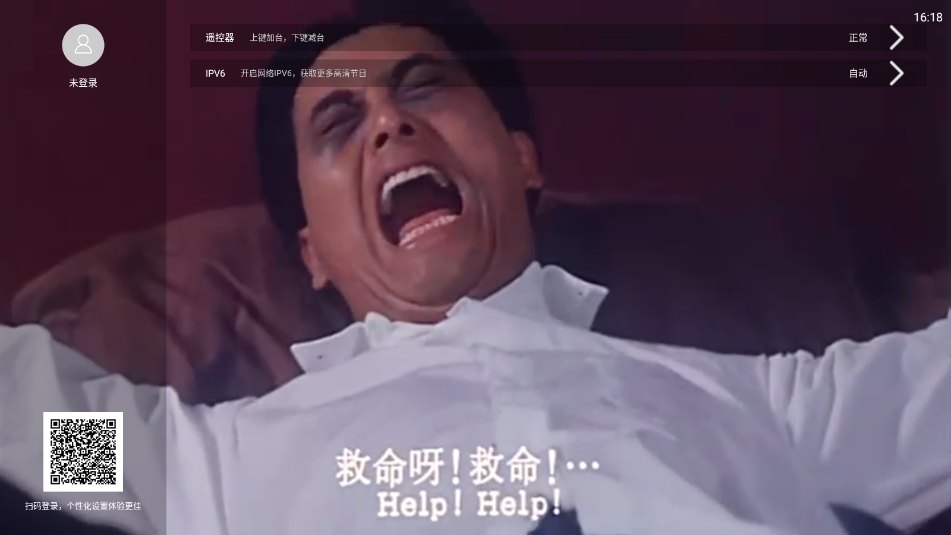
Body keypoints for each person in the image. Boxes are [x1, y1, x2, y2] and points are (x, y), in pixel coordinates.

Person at [1, 1, 948, 534]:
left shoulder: (770, 405)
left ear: (523, 161)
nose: (389, 122)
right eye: (338, 123)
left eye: (424, 87)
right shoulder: (218, 466)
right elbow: (27, 415)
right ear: (312, 253)